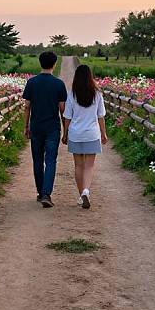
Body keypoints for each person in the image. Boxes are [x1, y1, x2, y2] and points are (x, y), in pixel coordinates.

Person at [23, 51, 67, 208]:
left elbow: (27, 106)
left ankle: (40, 192)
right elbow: (63, 110)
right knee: (50, 160)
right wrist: (66, 130)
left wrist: (26, 126)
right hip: (52, 128)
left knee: (37, 160)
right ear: (54, 64)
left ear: (40, 63)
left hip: (36, 127)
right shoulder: (59, 84)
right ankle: (47, 194)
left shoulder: (32, 82)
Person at [62, 64, 107, 209]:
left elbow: (67, 117)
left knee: (78, 165)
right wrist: (103, 133)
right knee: (89, 166)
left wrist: (65, 133)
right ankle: (86, 191)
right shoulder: (97, 94)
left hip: (76, 134)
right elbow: (100, 116)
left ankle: (81, 193)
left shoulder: (72, 94)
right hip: (92, 134)